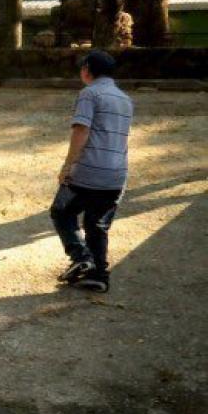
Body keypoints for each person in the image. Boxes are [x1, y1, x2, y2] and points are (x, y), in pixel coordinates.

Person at [51, 50, 133, 293]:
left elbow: (81, 131)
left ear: (86, 69)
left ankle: (81, 257)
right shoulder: (125, 99)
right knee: (97, 224)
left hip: (88, 172)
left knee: (61, 211)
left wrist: (67, 166)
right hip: (116, 174)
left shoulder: (90, 94)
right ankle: (98, 275)